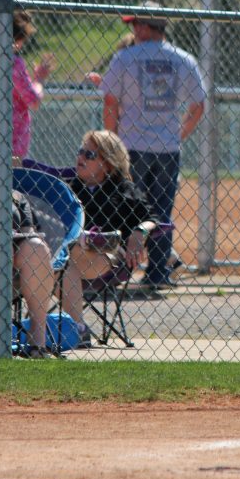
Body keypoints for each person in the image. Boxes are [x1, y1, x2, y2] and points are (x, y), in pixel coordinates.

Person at [99, 1, 206, 289]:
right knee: (161, 212)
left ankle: (114, 273)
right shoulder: (183, 58)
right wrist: (179, 134)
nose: (133, 30)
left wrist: (112, 143)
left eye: (135, 24)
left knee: (123, 207)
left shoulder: (125, 58)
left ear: (146, 27)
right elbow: (198, 105)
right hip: (168, 148)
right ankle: (158, 274)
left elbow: (110, 101)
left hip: (131, 145)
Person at [59, 130, 158, 345]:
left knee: (67, 257)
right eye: (80, 151)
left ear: (108, 164)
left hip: (108, 259)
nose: (81, 158)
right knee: (60, 261)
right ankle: (76, 327)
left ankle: (75, 328)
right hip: (66, 259)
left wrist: (139, 233)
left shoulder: (123, 190)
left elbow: (152, 218)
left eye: (90, 155)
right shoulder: (69, 187)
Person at [0, 146, 54, 358]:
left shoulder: (13, 196)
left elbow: (28, 231)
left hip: (10, 257)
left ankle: (38, 338)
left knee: (35, 247)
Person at [0, 10, 56, 157]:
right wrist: (39, 79)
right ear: (19, 41)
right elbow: (33, 101)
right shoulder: (14, 63)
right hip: (12, 143)